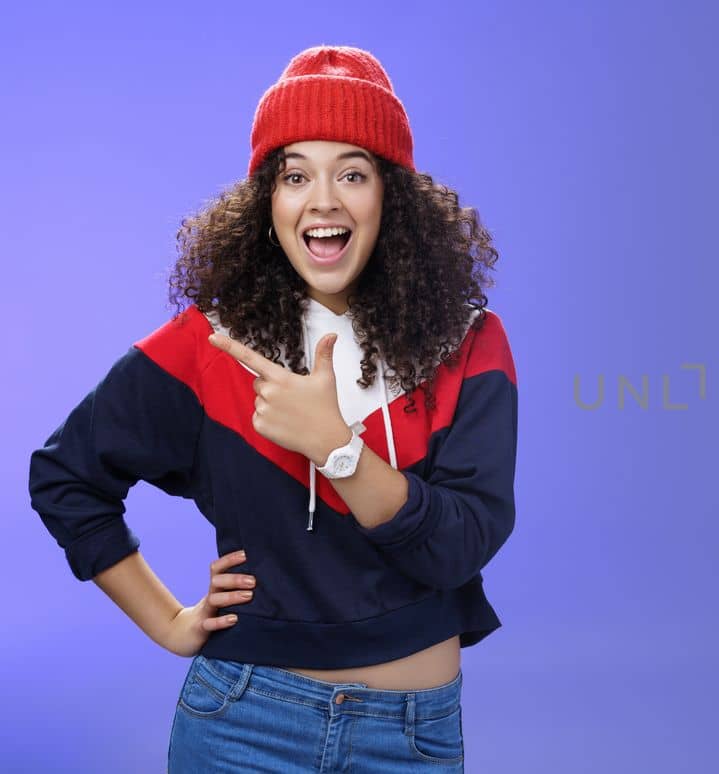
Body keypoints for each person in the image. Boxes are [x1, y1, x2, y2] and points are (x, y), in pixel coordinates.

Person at [26, 45, 516, 772]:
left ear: (392, 198)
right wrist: (167, 620)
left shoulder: (468, 343)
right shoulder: (212, 347)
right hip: (241, 725)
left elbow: (461, 545)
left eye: (353, 172)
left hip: (411, 737)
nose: (323, 200)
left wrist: (338, 450)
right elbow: (65, 477)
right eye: (295, 175)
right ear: (269, 204)